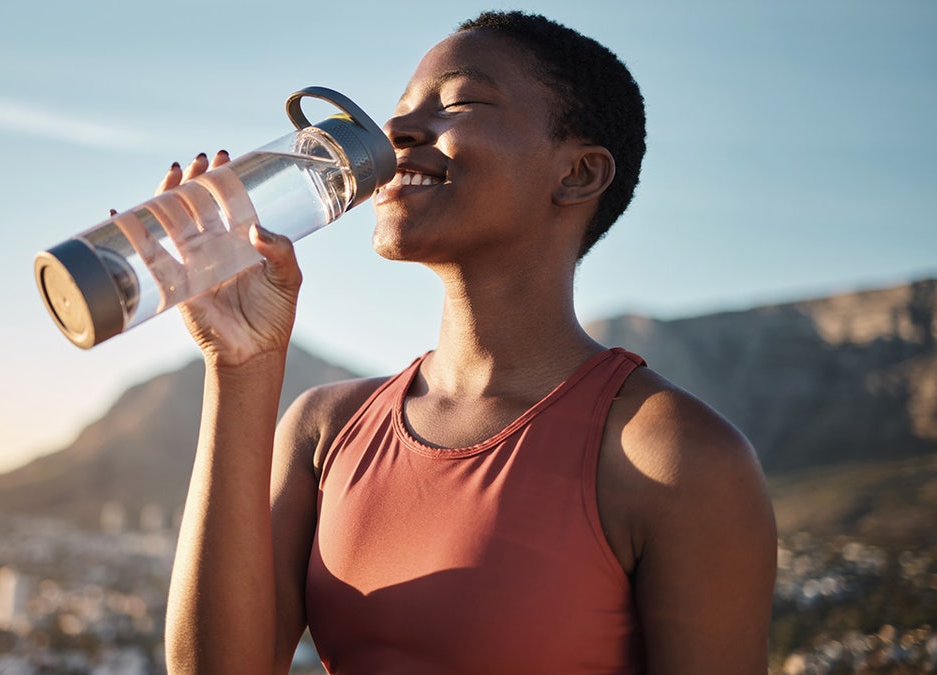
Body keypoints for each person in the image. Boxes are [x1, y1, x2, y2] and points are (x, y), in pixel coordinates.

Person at [161, 11, 777, 675]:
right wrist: (240, 366)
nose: (394, 132)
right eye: (400, 110)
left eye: (461, 102)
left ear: (577, 174)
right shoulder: (326, 427)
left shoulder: (674, 455)